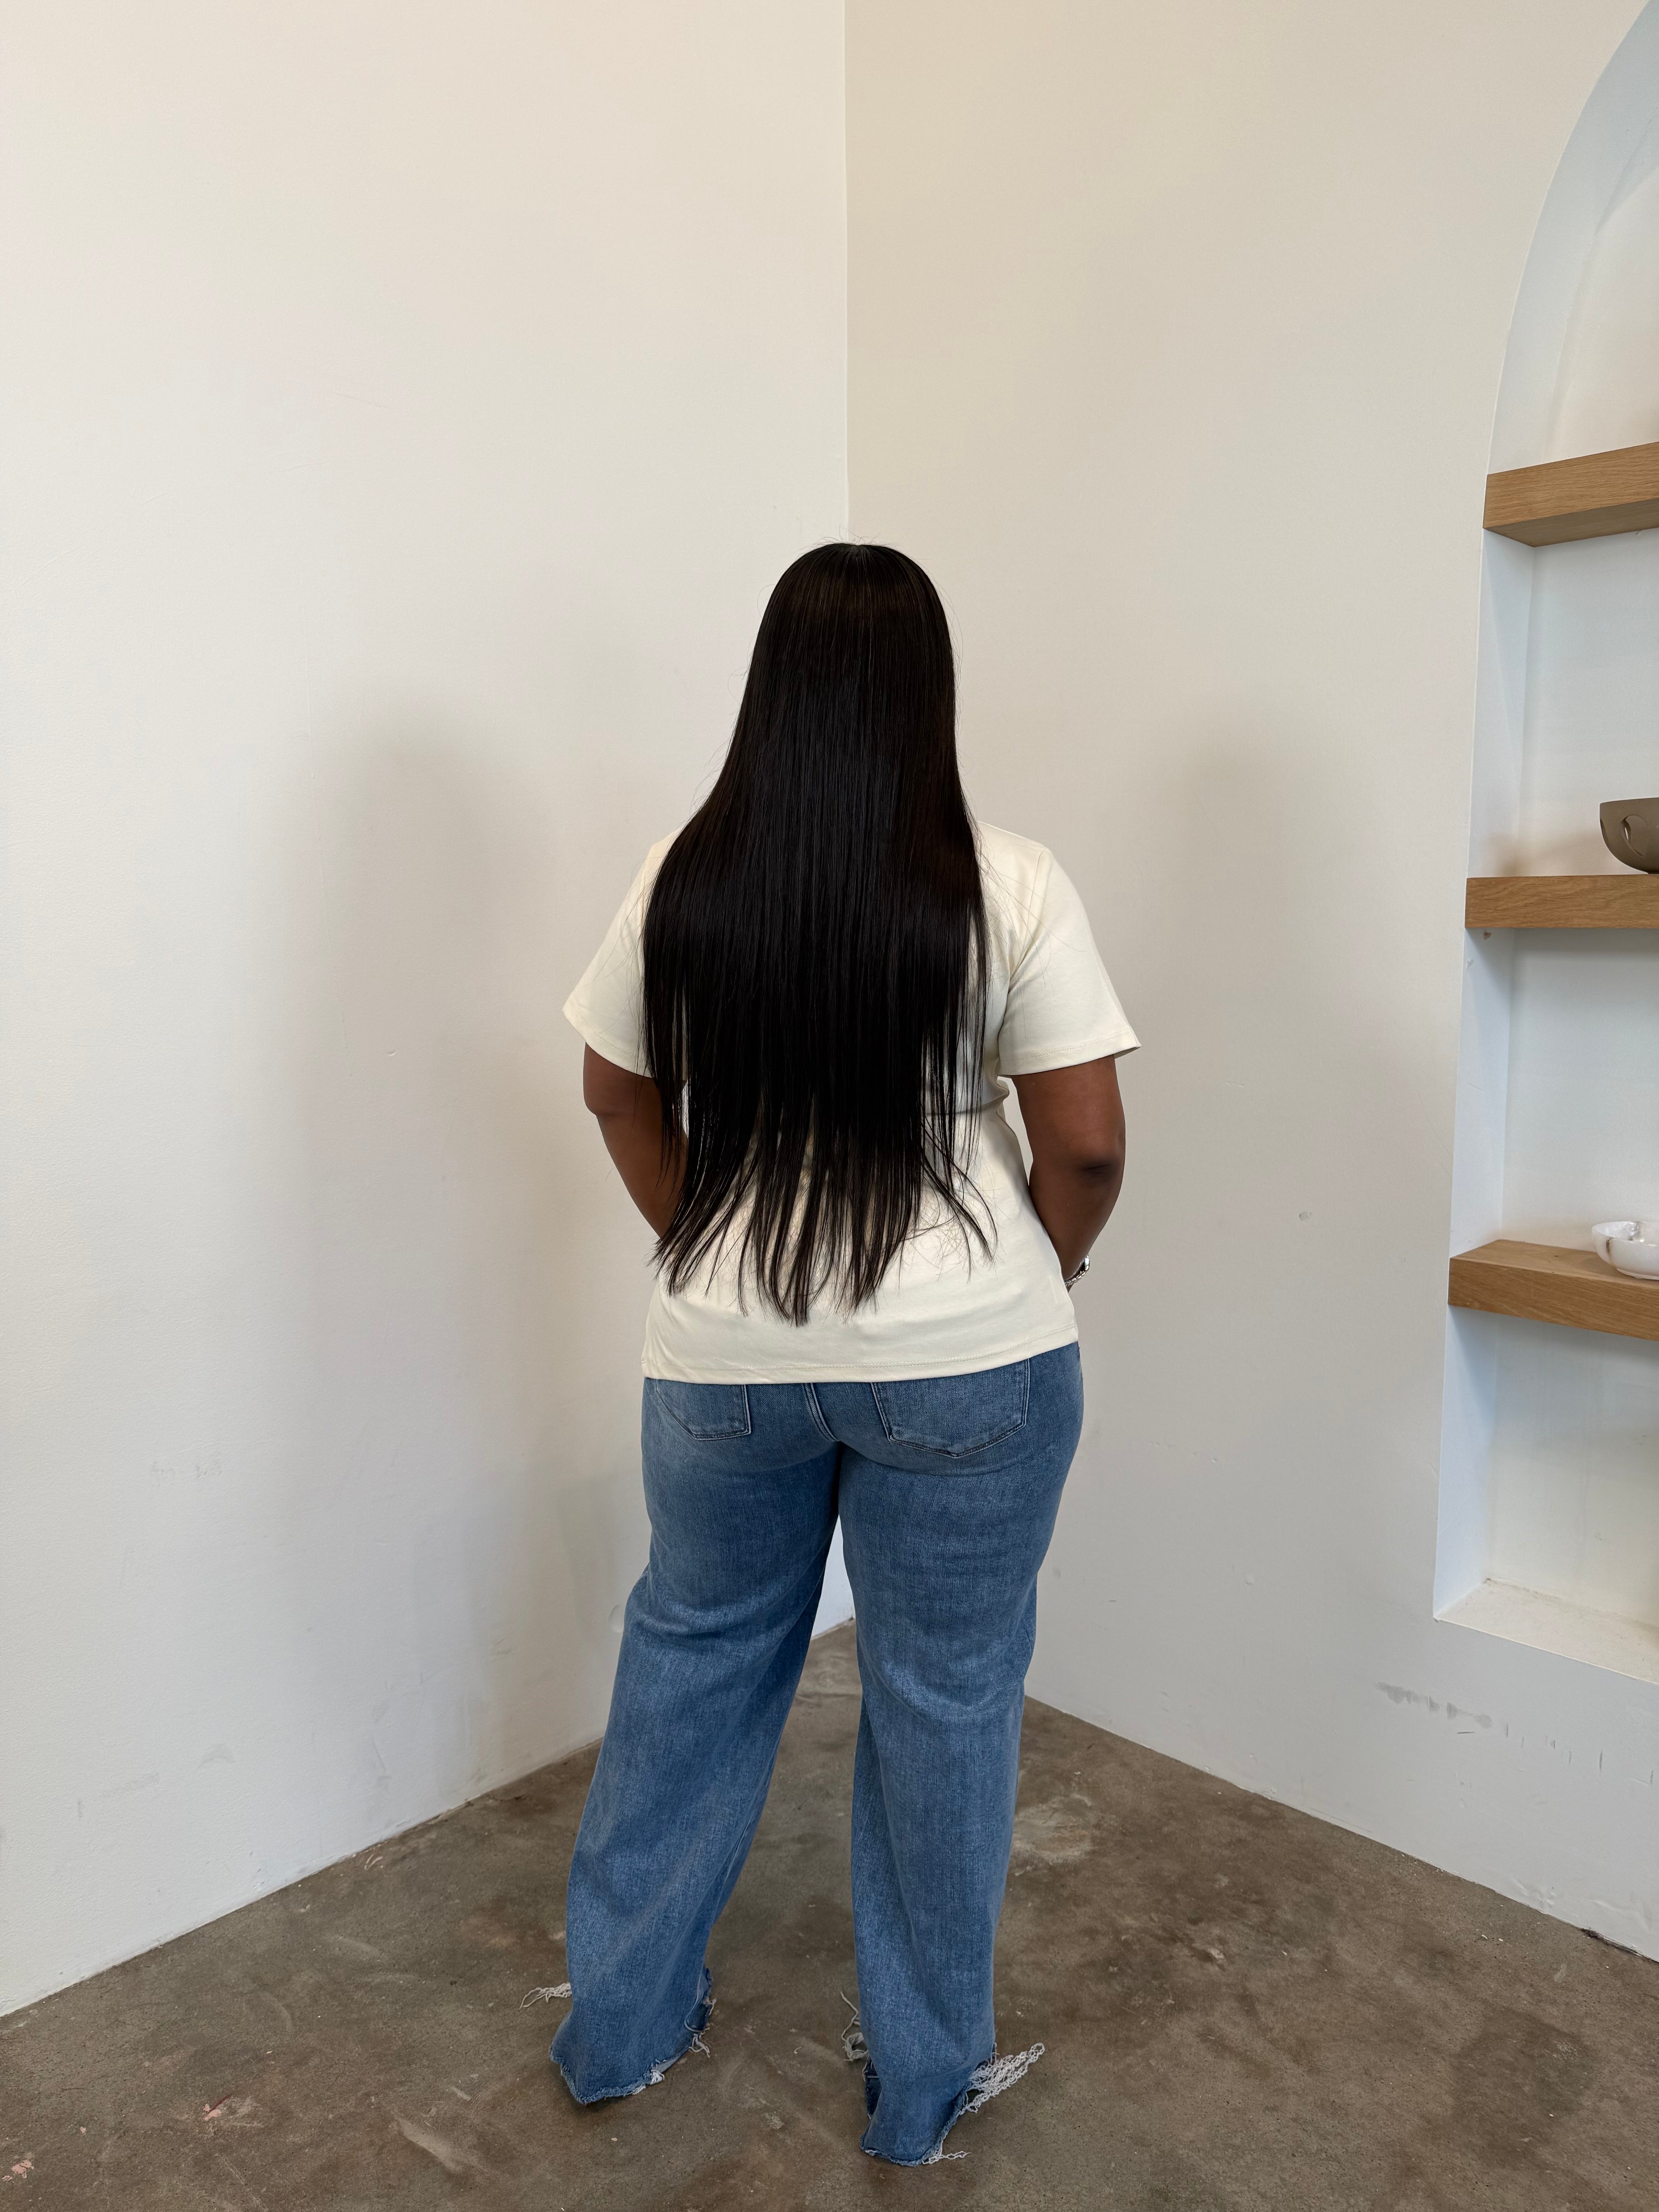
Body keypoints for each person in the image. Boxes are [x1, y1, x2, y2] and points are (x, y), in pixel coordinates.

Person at [553, 542, 1136, 2166]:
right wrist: (1044, 1268)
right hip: (968, 1362)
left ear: (774, 689)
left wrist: (701, 1235)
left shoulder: (683, 879)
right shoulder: (1007, 882)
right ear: (926, 693)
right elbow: (1087, 1143)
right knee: (944, 1698)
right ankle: (919, 2088)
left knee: (692, 1661)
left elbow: (612, 1091)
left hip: (721, 1359)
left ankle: (619, 2030)